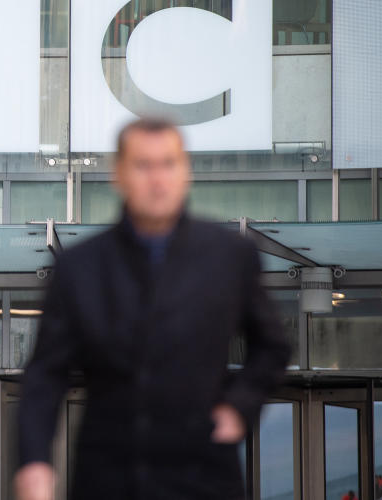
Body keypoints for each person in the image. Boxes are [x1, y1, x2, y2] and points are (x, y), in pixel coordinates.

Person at [14, 117, 291, 500]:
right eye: (143, 166)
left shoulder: (229, 256)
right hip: (108, 477)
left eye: (169, 164)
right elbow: (46, 374)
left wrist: (239, 407)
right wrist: (34, 462)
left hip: (203, 475)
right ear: (119, 175)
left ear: (186, 172)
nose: (157, 179)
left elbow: (272, 346)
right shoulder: (79, 267)